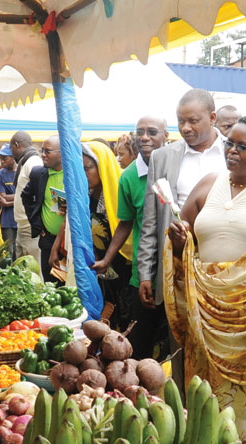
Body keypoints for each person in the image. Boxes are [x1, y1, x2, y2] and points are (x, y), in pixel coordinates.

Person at [165, 115, 246, 444]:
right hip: (206, 309)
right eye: (229, 143)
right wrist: (178, 242)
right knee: (206, 392)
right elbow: (184, 238)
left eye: (242, 147)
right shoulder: (209, 183)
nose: (232, 151)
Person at [139, 88, 227, 395]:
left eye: (193, 120)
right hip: (176, 264)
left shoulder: (236, 151)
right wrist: (146, 273)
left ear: (213, 118)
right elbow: (150, 220)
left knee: (220, 340)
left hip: (222, 268)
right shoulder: (163, 157)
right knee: (180, 339)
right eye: (181, 122)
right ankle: (183, 408)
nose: (186, 128)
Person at [93, 116, 169, 359]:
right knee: (139, 341)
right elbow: (125, 223)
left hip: (177, 272)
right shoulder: (128, 177)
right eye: (140, 132)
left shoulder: (177, 168)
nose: (145, 137)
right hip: (144, 274)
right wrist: (107, 259)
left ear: (165, 136)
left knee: (173, 342)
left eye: (152, 132)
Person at [52, 142, 132, 324]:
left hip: (119, 262)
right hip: (92, 262)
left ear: (101, 166)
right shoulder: (78, 190)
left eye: (87, 168)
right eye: (79, 169)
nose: (83, 174)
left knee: (121, 309)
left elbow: (126, 226)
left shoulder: (120, 187)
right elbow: (66, 217)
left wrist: (107, 259)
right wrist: (56, 246)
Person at [22, 135, 64, 282]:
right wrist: (37, 223)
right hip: (48, 240)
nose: (43, 155)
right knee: (50, 285)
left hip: (70, 243)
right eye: (42, 150)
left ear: (62, 152)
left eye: (48, 151)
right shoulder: (38, 174)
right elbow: (25, 196)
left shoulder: (74, 175)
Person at [10, 131, 43, 265]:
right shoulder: (25, 162)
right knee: (22, 270)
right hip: (22, 226)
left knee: (34, 270)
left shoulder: (33, 162)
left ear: (17, 145)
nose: (11, 154)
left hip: (30, 228)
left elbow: (39, 194)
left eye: (11, 149)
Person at [0, 143, 17, 257]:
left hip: (21, 220)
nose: (2, 161)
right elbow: (2, 197)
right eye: (0, 158)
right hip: (7, 221)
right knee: (9, 253)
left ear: (13, 157)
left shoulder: (22, 173)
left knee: (21, 253)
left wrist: (9, 201)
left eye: (5, 158)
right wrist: (19, 197)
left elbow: (25, 195)